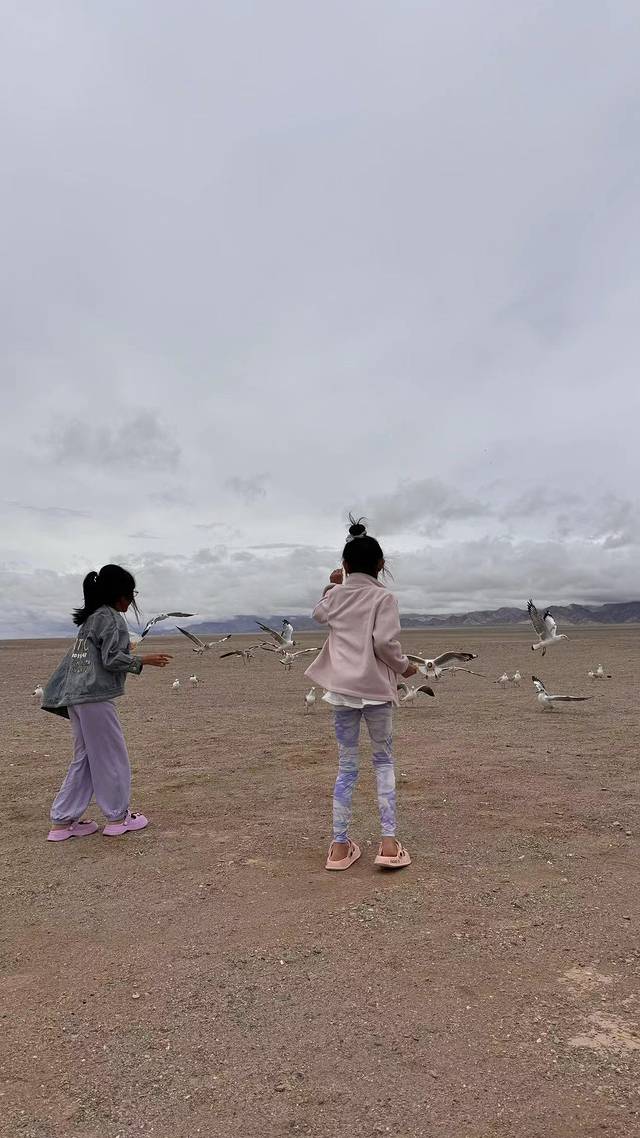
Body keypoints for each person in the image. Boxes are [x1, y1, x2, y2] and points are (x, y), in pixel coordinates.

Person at [305, 518, 418, 871]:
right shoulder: (384, 597)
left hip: (342, 692)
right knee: (383, 762)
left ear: (344, 564)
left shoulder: (336, 596)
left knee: (346, 767)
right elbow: (384, 643)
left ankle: (340, 847)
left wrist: (332, 586)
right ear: (381, 565)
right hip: (376, 692)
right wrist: (404, 668)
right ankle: (388, 843)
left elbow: (318, 614)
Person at [42, 564, 171, 842]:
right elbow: (111, 659)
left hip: (77, 697)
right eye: (131, 594)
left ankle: (62, 822)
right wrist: (143, 660)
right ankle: (118, 818)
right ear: (121, 594)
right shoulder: (111, 619)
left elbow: (81, 660)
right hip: (95, 697)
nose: (131, 601)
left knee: (86, 758)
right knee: (111, 755)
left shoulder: (91, 619)